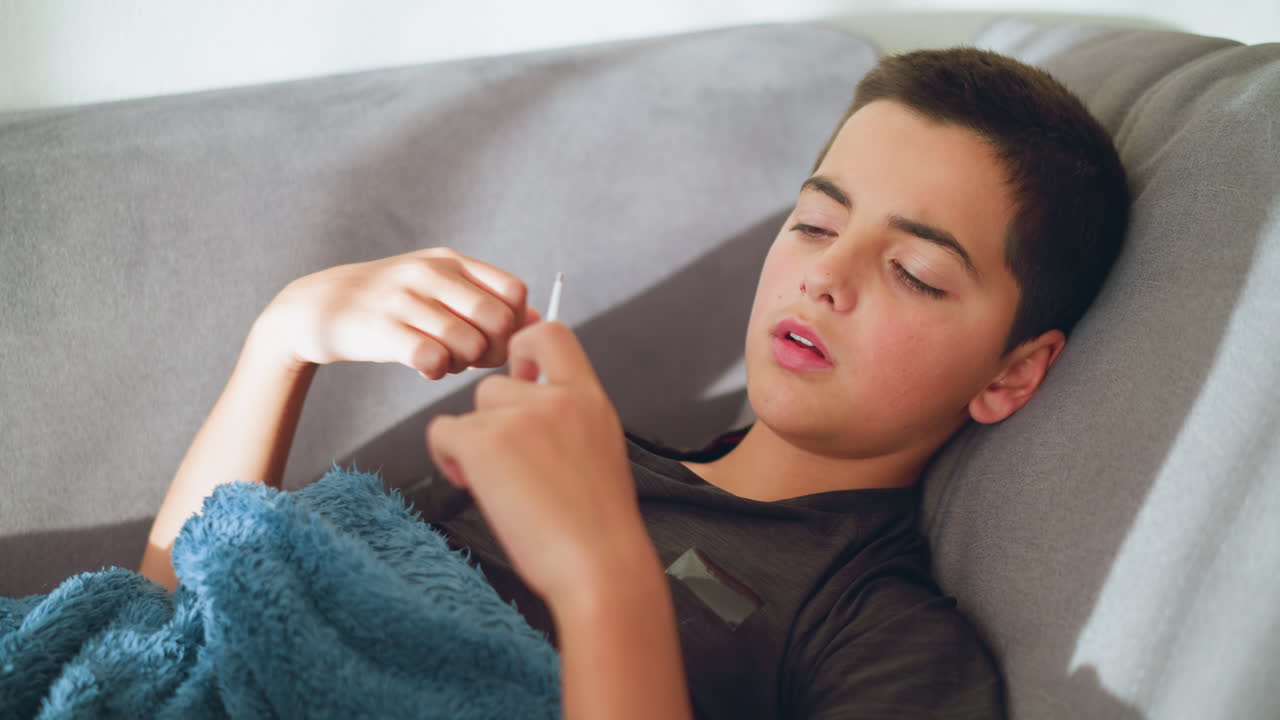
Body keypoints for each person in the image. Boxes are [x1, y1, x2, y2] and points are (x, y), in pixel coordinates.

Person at [140, 47, 1128, 720]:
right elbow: (173, 624)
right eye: (817, 225)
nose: (824, 276)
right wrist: (282, 344)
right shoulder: (577, 454)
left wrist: (601, 573)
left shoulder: (879, 632)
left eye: (912, 271)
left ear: (1010, 373)